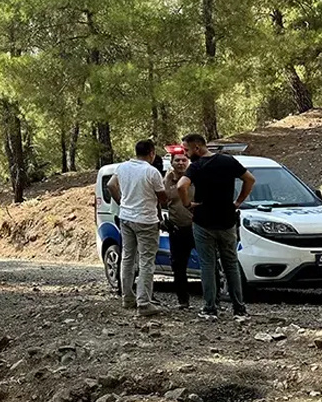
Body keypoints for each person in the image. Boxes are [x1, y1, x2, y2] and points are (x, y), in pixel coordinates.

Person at [176, 133, 256, 321]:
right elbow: (250, 179)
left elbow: (181, 186)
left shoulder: (196, 167)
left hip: (203, 221)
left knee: (207, 264)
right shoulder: (228, 161)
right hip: (227, 220)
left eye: (186, 150)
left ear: (197, 148)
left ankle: (210, 308)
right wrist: (238, 201)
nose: (186, 155)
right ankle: (239, 308)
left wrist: (187, 204)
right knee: (231, 264)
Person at [108, 139, 168, 317]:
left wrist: (122, 202)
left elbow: (111, 185)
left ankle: (127, 297)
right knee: (146, 260)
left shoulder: (123, 167)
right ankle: (144, 302)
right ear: (151, 153)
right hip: (146, 220)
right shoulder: (152, 172)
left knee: (127, 257)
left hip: (126, 217)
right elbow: (162, 197)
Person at [163, 151, 196, 308]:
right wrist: (162, 221)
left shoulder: (195, 177)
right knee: (178, 266)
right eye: (177, 160)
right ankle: (183, 301)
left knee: (209, 263)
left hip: (197, 227)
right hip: (177, 229)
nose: (181, 163)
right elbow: (159, 201)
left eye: (184, 160)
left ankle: (214, 300)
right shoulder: (167, 180)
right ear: (172, 163)